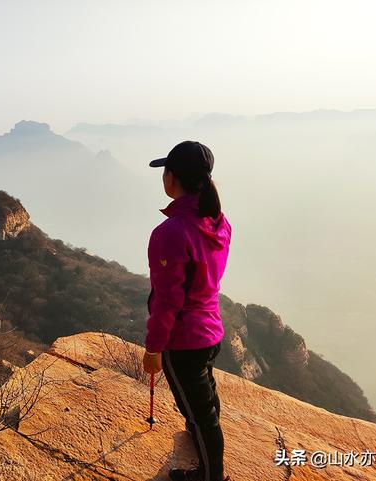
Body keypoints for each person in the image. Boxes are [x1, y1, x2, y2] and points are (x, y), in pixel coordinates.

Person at [142, 141, 232, 481]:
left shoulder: (170, 233)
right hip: (211, 331)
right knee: (205, 403)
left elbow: (168, 301)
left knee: (199, 416)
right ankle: (206, 452)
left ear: (173, 179)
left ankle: (212, 476)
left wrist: (154, 348)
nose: (163, 176)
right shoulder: (218, 223)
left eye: (166, 170)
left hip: (184, 342)